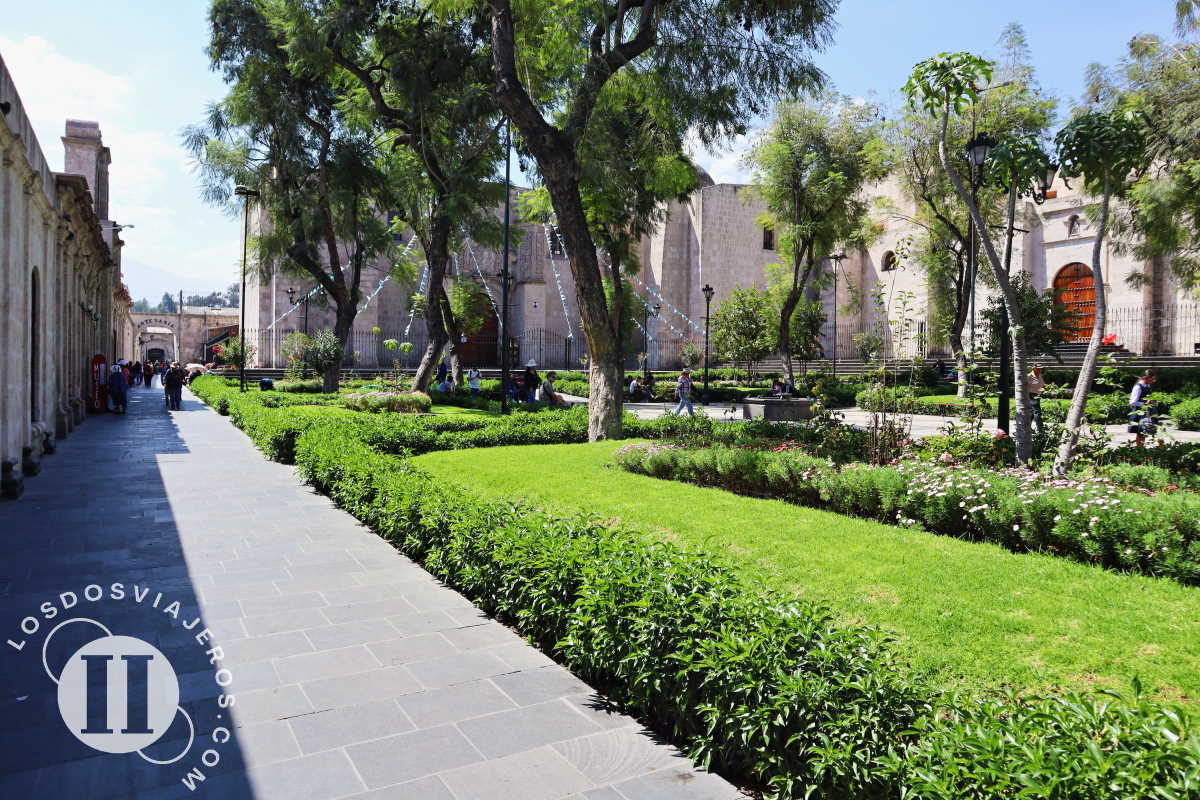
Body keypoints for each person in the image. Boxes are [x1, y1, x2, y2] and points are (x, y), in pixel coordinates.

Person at [1128, 369, 1157, 447]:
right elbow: (1132, 402)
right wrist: (1145, 403)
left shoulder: (1147, 385)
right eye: (1152, 379)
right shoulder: (1138, 386)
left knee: (1144, 432)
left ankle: (1141, 449)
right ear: (1146, 378)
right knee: (1140, 432)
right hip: (1139, 413)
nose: (1153, 381)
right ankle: (1139, 449)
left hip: (1146, 413)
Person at [1026, 364, 1045, 432]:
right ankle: (1040, 428)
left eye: (1040, 368)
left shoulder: (1039, 375)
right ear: (1034, 369)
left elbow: (1043, 385)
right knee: (1037, 411)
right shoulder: (1029, 376)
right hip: (1031, 395)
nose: (1040, 369)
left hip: (1038, 395)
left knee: (1031, 413)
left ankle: (1027, 427)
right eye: (1038, 368)